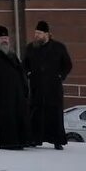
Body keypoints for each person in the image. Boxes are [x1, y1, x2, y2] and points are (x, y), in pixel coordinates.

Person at [23, 20, 73, 149]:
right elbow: (24, 65)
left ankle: (57, 141)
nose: (36, 36)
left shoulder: (58, 47)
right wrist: (28, 73)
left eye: (39, 33)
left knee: (54, 115)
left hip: (53, 88)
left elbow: (67, 65)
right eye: (35, 33)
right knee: (36, 114)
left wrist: (60, 76)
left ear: (47, 34)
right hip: (36, 88)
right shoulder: (31, 48)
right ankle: (34, 139)